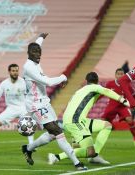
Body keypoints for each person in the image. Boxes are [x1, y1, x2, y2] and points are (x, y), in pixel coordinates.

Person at [21, 33, 87, 170]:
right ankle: (77, 163)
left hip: (44, 102)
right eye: (34, 52)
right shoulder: (29, 67)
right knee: (57, 131)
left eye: (39, 52)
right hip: (35, 104)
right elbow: (48, 82)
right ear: (28, 54)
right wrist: (63, 77)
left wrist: (41, 38)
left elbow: (36, 46)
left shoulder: (35, 60)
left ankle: (28, 148)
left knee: (52, 134)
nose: (38, 54)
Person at [48, 72, 131, 165]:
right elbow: (108, 91)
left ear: (86, 81)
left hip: (76, 120)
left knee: (107, 126)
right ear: (97, 81)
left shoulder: (80, 90)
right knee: (89, 151)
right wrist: (124, 100)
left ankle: (95, 156)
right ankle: (56, 157)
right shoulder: (95, 87)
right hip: (75, 121)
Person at [101, 68, 135, 148]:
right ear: (115, 75)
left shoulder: (127, 85)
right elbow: (102, 93)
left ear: (124, 75)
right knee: (103, 123)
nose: (120, 75)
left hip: (122, 107)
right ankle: (100, 140)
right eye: (118, 74)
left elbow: (134, 96)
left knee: (130, 120)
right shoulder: (110, 84)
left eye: (122, 74)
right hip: (112, 106)